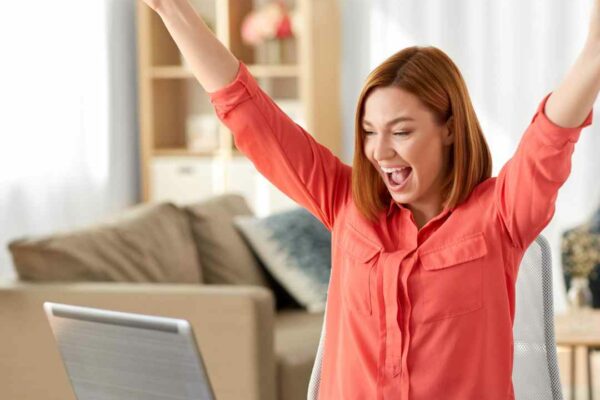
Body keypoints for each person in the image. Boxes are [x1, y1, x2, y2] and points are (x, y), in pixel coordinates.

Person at [142, 1, 599, 398]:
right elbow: (247, 112)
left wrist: (594, 59)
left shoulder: (500, 215)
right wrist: (170, 8)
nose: (380, 152)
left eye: (401, 132)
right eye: (368, 132)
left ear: (449, 129)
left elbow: (550, 137)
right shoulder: (344, 203)